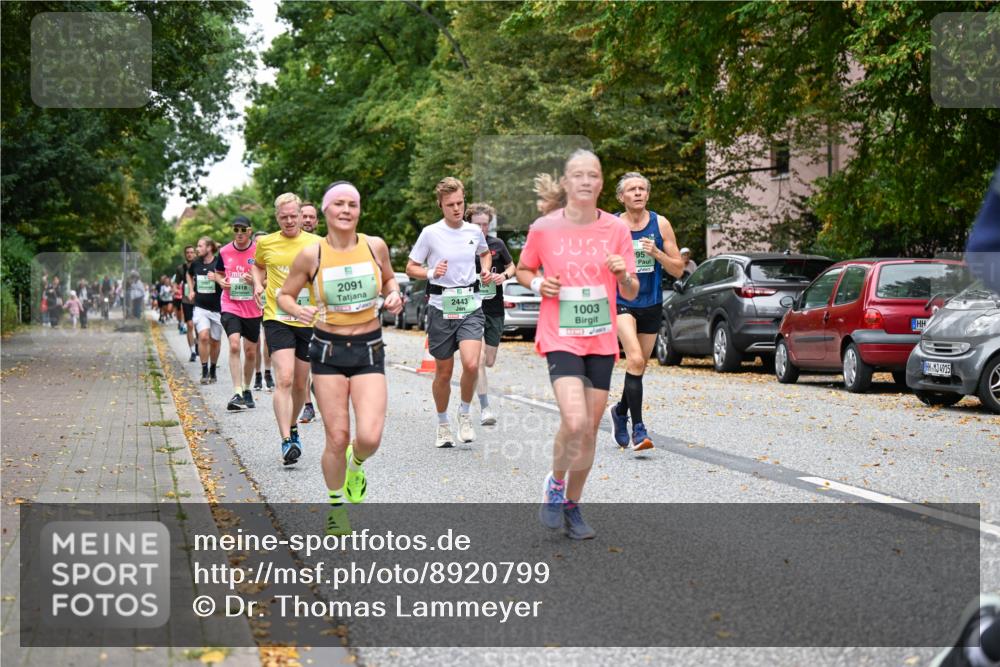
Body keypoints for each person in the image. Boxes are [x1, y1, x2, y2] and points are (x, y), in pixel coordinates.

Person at [516, 149, 638, 540]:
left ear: (601, 183)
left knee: (588, 432)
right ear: (566, 183)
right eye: (578, 175)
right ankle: (554, 484)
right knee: (575, 420)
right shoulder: (544, 228)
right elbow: (523, 268)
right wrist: (537, 283)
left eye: (594, 175)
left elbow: (632, 290)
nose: (586, 181)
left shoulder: (616, 230)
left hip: (601, 337)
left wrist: (622, 275)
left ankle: (572, 504)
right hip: (560, 335)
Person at [278, 181, 402, 535]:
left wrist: (393, 295)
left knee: (370, 435)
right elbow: (286, 295)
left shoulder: (375, 246)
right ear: (326, 210)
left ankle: (357, 464)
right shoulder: (311, 255)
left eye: (353, 204)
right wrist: (297, 311)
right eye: (339, 204)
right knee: (337, 436)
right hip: (328, 351)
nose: (346, 210)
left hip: (368, 349)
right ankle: (336, 507)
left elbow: (391, 281)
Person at [406, 177, 492, 448]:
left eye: (460, 203)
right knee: (443, 373)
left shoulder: (473, 232)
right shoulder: (430, 233)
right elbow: (411, 267)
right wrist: (431, 272)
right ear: (440, 205)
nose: (456, 209)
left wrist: (485, 269)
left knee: (470, 363)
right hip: (441, 308)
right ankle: (443, 424)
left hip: (470, 305)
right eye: (450, 205)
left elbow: (485, 253)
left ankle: (464, 414)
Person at [608, 172, 685, 451]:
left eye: (642, 189)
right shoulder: (612, 226)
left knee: (638, 366)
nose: (638, 193)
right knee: (636, 359)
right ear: (621, 197)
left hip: (651, 303)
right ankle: (639, 429)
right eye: (632, 189)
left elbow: (677, 268)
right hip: (621, 301)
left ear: (647, 195)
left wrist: (657, 254)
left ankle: (619, 411)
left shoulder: (660, 224)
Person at [253, 193, 321, 465]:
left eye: (294, 215)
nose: (290, 221)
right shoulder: (266, 243)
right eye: (284, 217)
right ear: (277, 217)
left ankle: (292, 428)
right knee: (284, 377)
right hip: (277, 316)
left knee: (300, 383)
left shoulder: (317, 244)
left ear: (300, 214)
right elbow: (258, 267)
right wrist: (258, 284)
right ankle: (285, 441)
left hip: (306, 318)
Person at [467, 202, 515, 426]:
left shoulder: (497, 244)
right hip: (472, 309)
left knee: (489, 360)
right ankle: (485, 408)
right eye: (478, 225)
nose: (482, 229)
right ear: (469, 223)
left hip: (494, 307)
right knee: (477, 360)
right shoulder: (462, 244)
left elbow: (512, 266)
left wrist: (503, 277)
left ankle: (474, 379)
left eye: (485, 225)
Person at [215, 216, 264, 411]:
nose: (240, 233)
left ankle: (246, 388)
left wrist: (255, 282)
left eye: (243, 230)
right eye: (236, 229)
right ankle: (237, 392)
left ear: (250, 231)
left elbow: (268, 278)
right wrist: (220, 281)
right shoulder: (225, 251)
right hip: (230, 305)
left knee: (251, 352)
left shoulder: (259, 252)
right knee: (234, 345)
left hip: (252, 307)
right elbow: (219, 273)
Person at [186, 237, 223, 384]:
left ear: (208, 248)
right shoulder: (195, 263)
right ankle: (204, 370)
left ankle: (213, 368)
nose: (197, 249)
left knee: (215, 341)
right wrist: (191, 289)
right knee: (203, 336)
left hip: (217, 309)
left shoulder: (219, 263)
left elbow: (227, 280)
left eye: (200, 246)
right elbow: (188, 274)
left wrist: (217, 279)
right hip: (200, 307)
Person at [298, 200, 320, 423]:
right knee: (303, 361)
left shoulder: (323, 244)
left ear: (317, 221)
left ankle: (318, 385)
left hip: (321, 310)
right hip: (297, 311)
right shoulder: (288, 244)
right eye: (303, 216)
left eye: (311, 217)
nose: (307, 220)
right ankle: (307, 405)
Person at [251, 230, 275, 393]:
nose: (260, 244)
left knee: (267, 340)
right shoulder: (251, 260)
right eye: (257, 242)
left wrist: (260, 281)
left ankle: (267, 372)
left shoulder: (272, 258)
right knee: (255, 342)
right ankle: (258, 374)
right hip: (251, 304)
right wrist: (251, 281)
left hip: (270, 303)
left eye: (263, 241)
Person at [175, 246, 198, 361]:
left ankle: (198, 343)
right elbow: (176, 283)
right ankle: (193, 351)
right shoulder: (180, 268)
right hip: (186, 299)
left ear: (195, 254)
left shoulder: (200, 265)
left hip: (199, 299)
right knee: (189, 325)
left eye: (191, 252)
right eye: (187, 252)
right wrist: (175, 289)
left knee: (199, 326)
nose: (189, 254)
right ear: (185, 255)